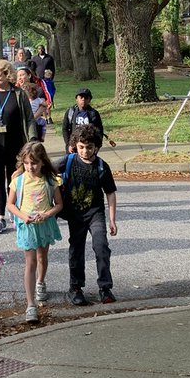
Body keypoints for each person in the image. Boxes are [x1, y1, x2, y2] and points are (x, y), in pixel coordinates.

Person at [0, 58, 39, 234]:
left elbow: (30, 118)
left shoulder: (18, 94)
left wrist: (32, 140)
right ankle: (0, 217)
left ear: (7, 75)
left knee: (14, 181)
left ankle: (16, 214)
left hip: (15, 145)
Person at [6, 141, 64, 322]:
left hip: (44, 224)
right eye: (27, 163)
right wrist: (22, 216)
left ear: (43, 162)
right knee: (30, 262)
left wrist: (47, 214)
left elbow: (59, 204)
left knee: (42, 257)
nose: (31, 167)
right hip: (27, 226)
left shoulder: (50, 180)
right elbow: (10, 204)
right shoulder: (18, 181)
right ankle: (30, 305)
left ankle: (40, 281)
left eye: (35, 163)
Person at [61, 124, 117, 305]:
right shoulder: (68, 161)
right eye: (81, 147)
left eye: (89, 147)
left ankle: (105, 287)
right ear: (75, 146)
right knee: (76, 250)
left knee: (101, 247)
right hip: (75, 215)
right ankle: (75, 287)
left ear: (97, 147)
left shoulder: (102, 166)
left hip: (95, 213)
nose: (85, 151)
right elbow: (44, 169)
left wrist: (112, 219)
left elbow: (110, 192)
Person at [61, 88, 116, 152]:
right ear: (76, 99)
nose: (83, 99)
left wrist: (97, 146)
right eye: (81, 97)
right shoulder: (70, 112)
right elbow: (65, 129)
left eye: (86, 97)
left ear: (89, 100)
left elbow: (99, 130)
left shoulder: (94, 113)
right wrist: (69, 144)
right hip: (74, 146)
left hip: (88, 147)